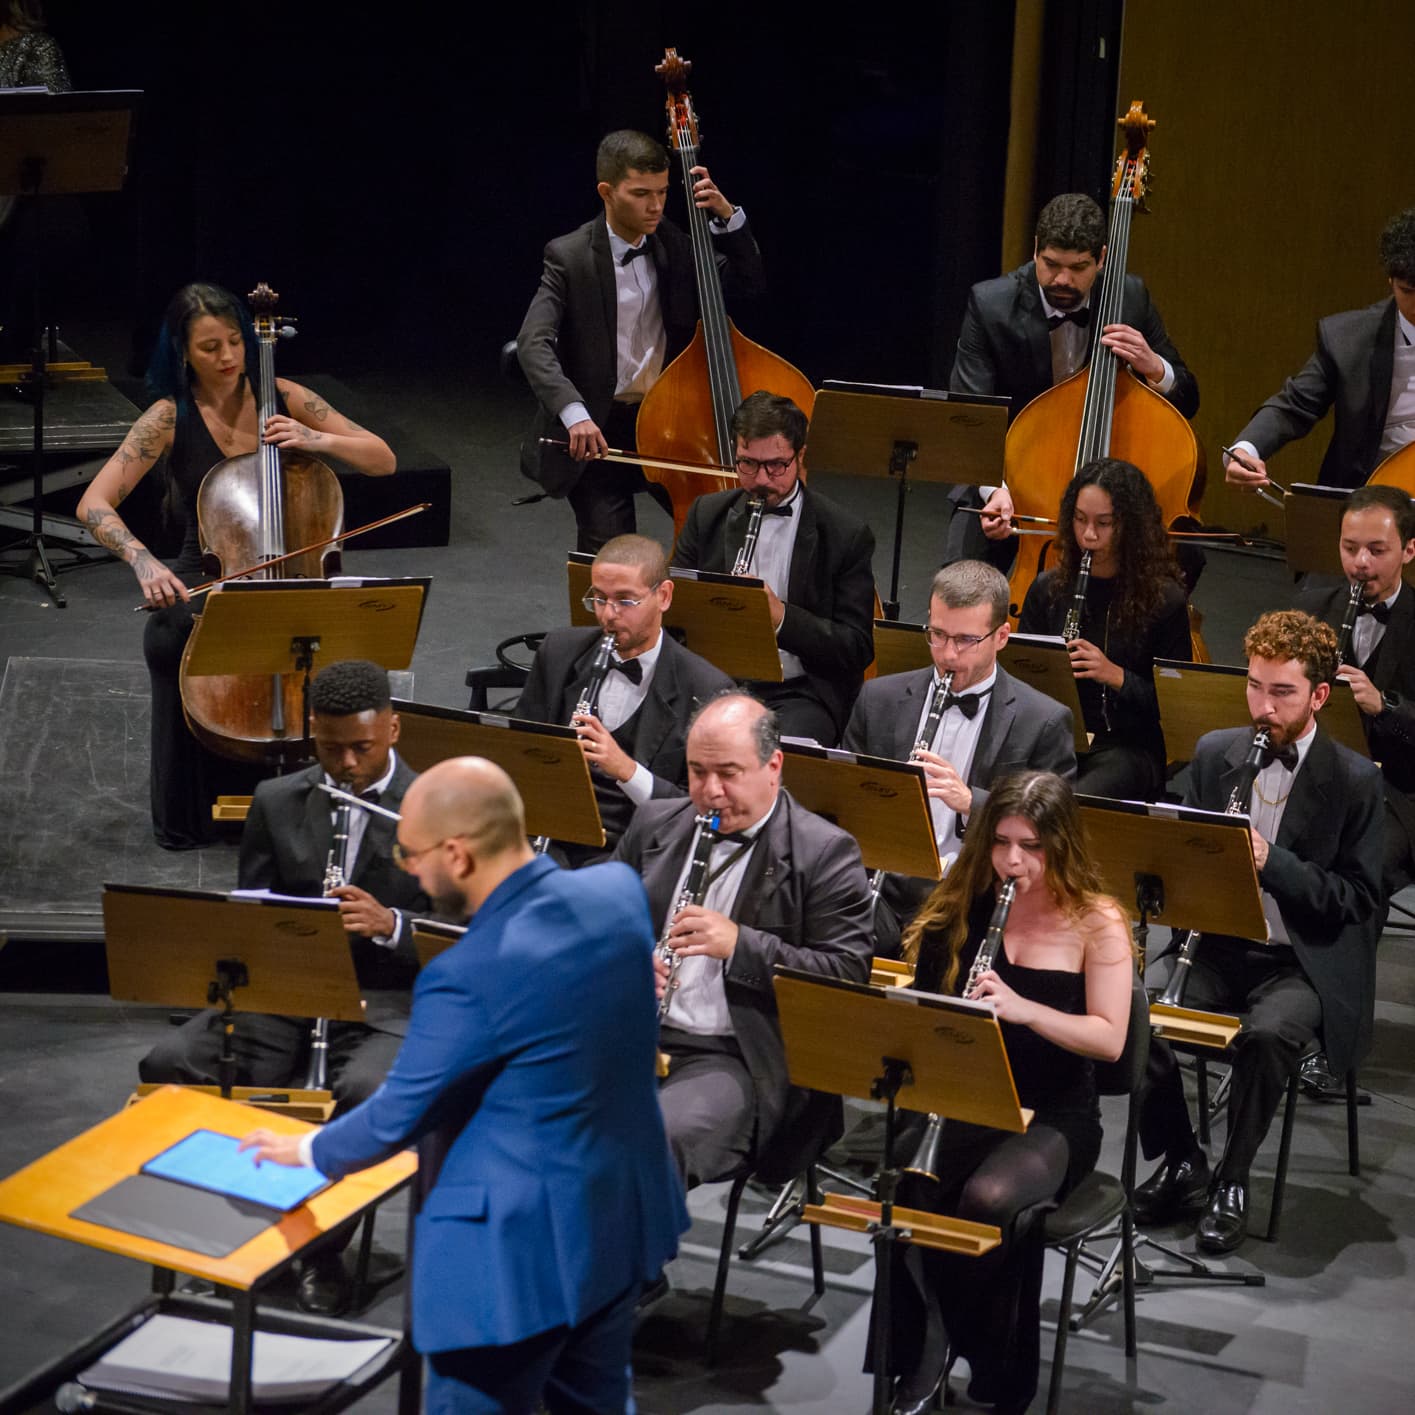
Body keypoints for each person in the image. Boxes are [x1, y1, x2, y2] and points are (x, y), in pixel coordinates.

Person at [242, 756, 688, 1415]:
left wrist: (306, 1151)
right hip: (616, 1222)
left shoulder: (468, 972)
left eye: (412, 853)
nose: (409, 868)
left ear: (456, 854)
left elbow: (398, 1113)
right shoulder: (616, 892)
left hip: (508, 1260)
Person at [140, 660, 429, 1312]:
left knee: (367, 1090)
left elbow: (467, 935)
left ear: (393, 727)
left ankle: (315, 1250)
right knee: (175, 1061)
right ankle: (219, 1224)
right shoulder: (278, 800)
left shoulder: (438, 808)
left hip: (389, 1003)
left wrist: (391, 925)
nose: (346, 764)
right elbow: (251, 916)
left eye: (362, 747)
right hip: (292, 991)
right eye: (329, 749)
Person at [75, 282, 397, 850]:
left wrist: (315, 437)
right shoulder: (167, 417)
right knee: (171, 638)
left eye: (234, 342)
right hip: (204, 584)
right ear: (181, 353)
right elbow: (93, 503)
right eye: (208, 348)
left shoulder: (288, 396)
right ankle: (193, 814)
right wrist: (143, 561)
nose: (226, 358)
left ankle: (313, 806)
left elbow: (383, 459)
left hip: (292, 581)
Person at [883, 770, 1133, 1415]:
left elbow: (1109, 1040)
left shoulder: (1096, 921)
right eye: (1000, 843)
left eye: (1031, 846)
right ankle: (932, 1348)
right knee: (907, 1189)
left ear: (1060, 847)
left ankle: (976, 1358)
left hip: (1056, 1112)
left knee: (988, 1199)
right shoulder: (962, 903)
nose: (1012, 861)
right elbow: (928, 1013)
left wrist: (1025, 1010)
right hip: (968, 1095)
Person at [1134, 611, 1383, 1254]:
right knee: (1133, 1010)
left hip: (1301, 959)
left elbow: (1356, 902)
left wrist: (1273, 861)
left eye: (1282, 693)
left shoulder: (1356, 782)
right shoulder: (1219, 751)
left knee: (1268, 1037)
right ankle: (1187, 1160)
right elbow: (1169, 845)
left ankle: (1232, 1180)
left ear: (1318, 696)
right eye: (1255, 687)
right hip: (1215, 946)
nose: (1263, 707)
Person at [615, 692, 873, 1189]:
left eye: (728, 773)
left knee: (645, 1141)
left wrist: (741, 944)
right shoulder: (654, 825)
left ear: (773, 765)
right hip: (631, 1037)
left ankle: (629, 1267)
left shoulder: (825, 853)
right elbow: (595, 926)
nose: (710, 791)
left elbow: (847, 977)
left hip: (737, 1061)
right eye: (696, 772)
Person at [517, 128, 766, 553]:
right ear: (607, 192)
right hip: (600, 430)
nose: (655, 206)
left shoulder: (676, 246)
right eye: (640, 193)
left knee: (721, 530)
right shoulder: (569, 256)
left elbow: (750, 283)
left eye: (663, 192)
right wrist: (574, 413)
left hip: (667, 424)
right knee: (611, 552)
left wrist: (728, 218)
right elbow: (532, 343)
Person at [946, 191, 1199, 567]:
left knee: (1186, 560)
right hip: (1012, 480)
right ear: (1035, 251)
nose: (1062, 279)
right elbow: (970, 416)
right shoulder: (990, 305)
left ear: (1101, 258)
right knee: (960, 581)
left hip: (1107, 489)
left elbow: (1188, 399)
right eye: (1050, 264)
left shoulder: (1130, 299)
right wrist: (994, 490)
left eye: (1078, 267)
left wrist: (1153, 366)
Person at [842, 560, 1076, 957]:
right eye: (937, 635)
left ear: (1002, 636)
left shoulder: (1044, 722)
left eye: (966, 640)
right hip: (880, 891)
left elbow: (1055, 831)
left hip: (975, 897)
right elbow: (843, 801)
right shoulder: (878, 700)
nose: (948, 654)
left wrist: (972, 802)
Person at [671, 391, 876, 745]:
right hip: (714, 680)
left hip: (798, 692)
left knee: (772, 760)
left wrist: (780, 617)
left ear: (801, 457)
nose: (762, 480)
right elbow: (673, 610)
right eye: (747, 464)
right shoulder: (707, 514)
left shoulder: (844, 534)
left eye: (776, 465)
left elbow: (856, 647)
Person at [514, 534, 731, 863]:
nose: (608, 615)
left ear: (664, 596)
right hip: (550, 831)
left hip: (635, 848)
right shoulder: (559, 652)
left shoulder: (707, 691)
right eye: (599, 599)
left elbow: (705, 812)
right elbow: (518, 751)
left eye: (625, 601)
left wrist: (626, 770)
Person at [1017, 457, 1192, 800]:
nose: (1089, 535)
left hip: (1127, 747)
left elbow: (1174, 707)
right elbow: (1020, 675)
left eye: (1104, 523)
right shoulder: (1048, 589)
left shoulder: (1164, 601)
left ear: (1129, 525)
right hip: (1056, 736)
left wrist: (1116, 676)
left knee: (1067, 805)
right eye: (1080, 520)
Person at [1225, 206, 1415, 494]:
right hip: (1369, 504)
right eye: (1408, 291)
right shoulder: (1348, 339)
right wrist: (1245, 449)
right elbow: (1292, 406)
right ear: (1391, 281)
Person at [1295, 484, 1415, 899]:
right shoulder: (1310, 609)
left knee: (1362, 867)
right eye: (1350, 548)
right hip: (1316, 778)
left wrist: (1384, 707)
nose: (1360, 563)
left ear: (1409, 551)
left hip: (1399, 793)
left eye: (1377, 551)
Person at [0, 1, 72, 360]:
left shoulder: (33, 48)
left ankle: (15, 347)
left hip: (13, 189)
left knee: (58, 221)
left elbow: (56, 127)